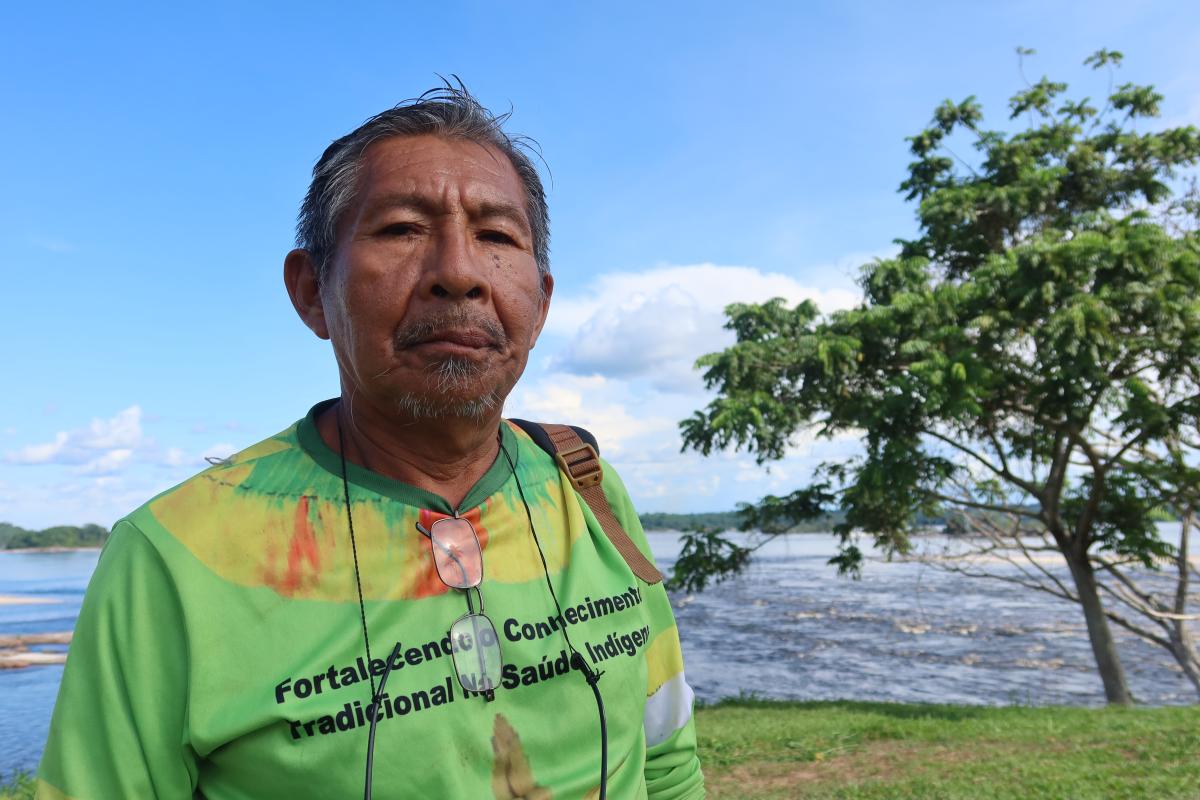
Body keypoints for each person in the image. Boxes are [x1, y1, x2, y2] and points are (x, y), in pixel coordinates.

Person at [37, 86, 705, 799]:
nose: (460, 273)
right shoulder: (170, 554)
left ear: (539, 304)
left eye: (497, 236)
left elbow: (663, 761)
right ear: (311, 292)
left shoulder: (584, 483)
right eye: (402, 228)